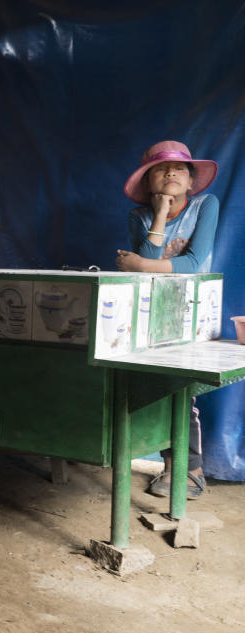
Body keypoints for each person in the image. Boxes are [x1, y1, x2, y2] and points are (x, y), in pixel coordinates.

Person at [115, 139, 220, 499]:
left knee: (182, 391)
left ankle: (189, 470)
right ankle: (165, 463)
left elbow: (191, 264)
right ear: (148, 183)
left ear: (191, 182)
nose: (172, 172)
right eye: (161, 168)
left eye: (180, 168)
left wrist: (141, 264)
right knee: (151, 386)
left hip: (193, 311)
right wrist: (159, 216)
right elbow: (147, 266)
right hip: (149, 311)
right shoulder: (138, 216)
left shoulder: (206, 205)